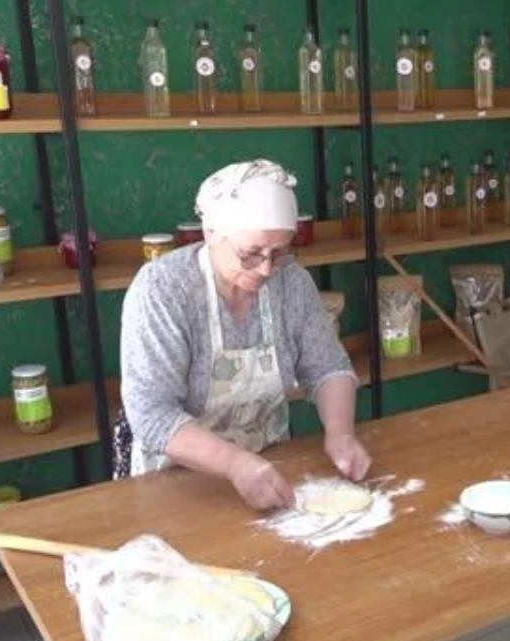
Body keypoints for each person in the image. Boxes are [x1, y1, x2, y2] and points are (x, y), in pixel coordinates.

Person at [114, 159, 372, 511]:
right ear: (211, 234)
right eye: (251, 253)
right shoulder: (163, 290)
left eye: (279, 252)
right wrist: (235, 464)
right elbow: (152, 414)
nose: (267, 268)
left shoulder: (291, 282)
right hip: (177, 484)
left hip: (268, 471)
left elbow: (328, 367)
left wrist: (341, 434)